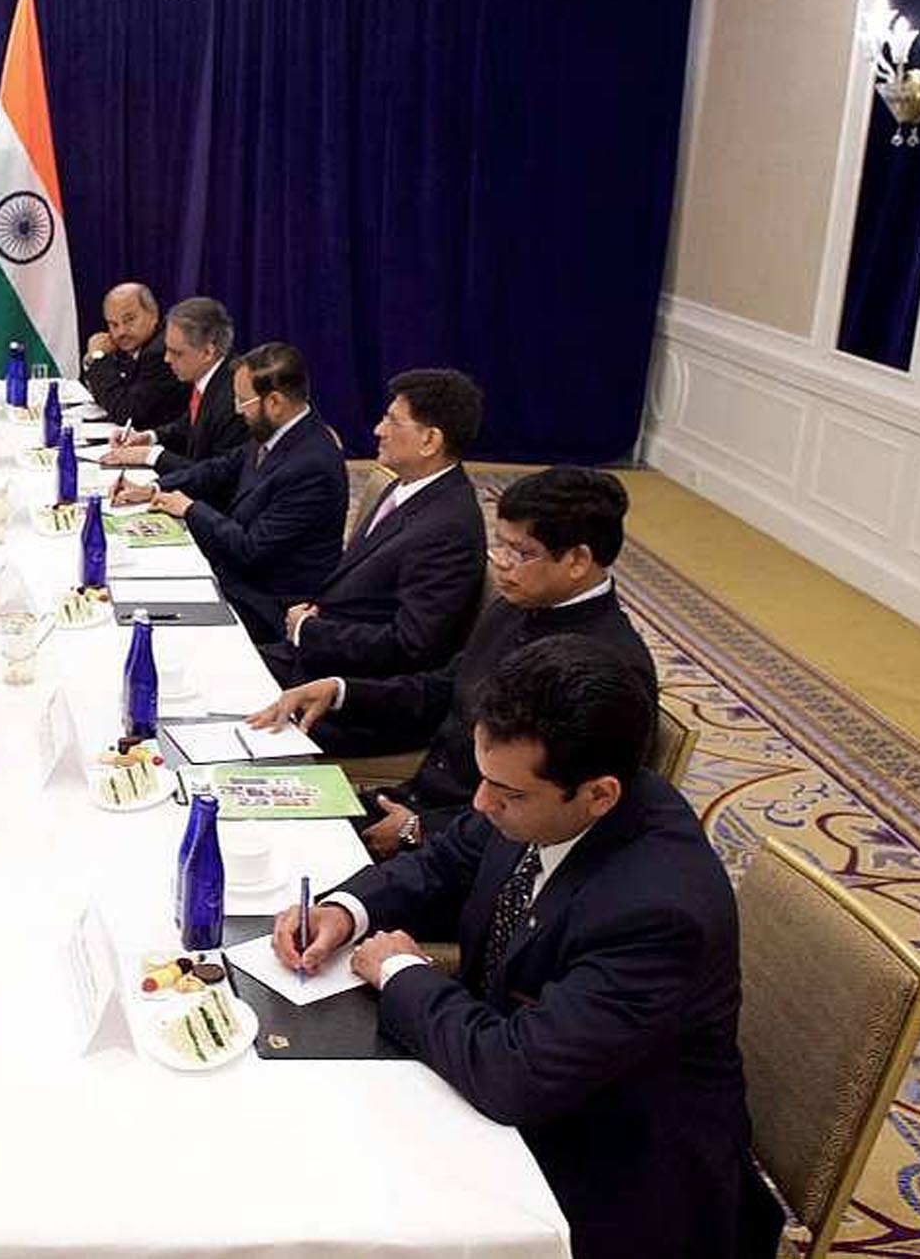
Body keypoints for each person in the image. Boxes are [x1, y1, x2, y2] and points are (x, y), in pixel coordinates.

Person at [273, 637, 776, 1259]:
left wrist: (401, 970)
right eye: (484, 780)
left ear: (600, 795)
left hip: (614, 1167)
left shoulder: (659, 911)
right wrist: (345, 911)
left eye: (507, 794)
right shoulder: (538, 800)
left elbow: (517, 1075)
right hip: (518, 1076)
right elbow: (443, 861)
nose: (482, 804)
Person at [251, 466, 655, 858]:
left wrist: (420, 829)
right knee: (253, 819)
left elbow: (557, 811)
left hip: (468, 845)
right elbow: (444, 687)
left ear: (578, 561)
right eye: (501, 545)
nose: (501, 563)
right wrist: (340, 690)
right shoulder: (516, 606)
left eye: (521, 553)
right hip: (415, 803)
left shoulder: (611, 667)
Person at [262, 368, 486, 683]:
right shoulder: (404, 485)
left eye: (393, 421)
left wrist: (309, 631)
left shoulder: (448, 529)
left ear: (430, 440)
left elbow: (410, 645)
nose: (379, 430)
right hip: (317, 647)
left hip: (343, 681)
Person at [110, 342, 345, 643]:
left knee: (145, 617)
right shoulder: (277, 430)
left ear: (275, 402)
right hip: (236, 573)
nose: (236, 409)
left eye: (243, 401)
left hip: (267, 602)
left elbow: (251, 549)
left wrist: (190, 508)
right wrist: (154, 488)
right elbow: (220, 468)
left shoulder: (312, 466)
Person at [97, 296, 249, 477]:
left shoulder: (235, 397)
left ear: (208, 352)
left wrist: (151, 456)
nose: (167, 359)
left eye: (176, 353)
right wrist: (150, 437)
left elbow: (218, 475)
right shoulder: (212, 376)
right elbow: (189, 425)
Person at [79, 282, 188, 430]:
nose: (121, 332)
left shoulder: (161, 352)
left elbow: (125, 412)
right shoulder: (131, 346)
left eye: (129, 320)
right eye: (113, 324)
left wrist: (98, 358)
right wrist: (93, 361)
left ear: (154, 314)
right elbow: (105, 394)